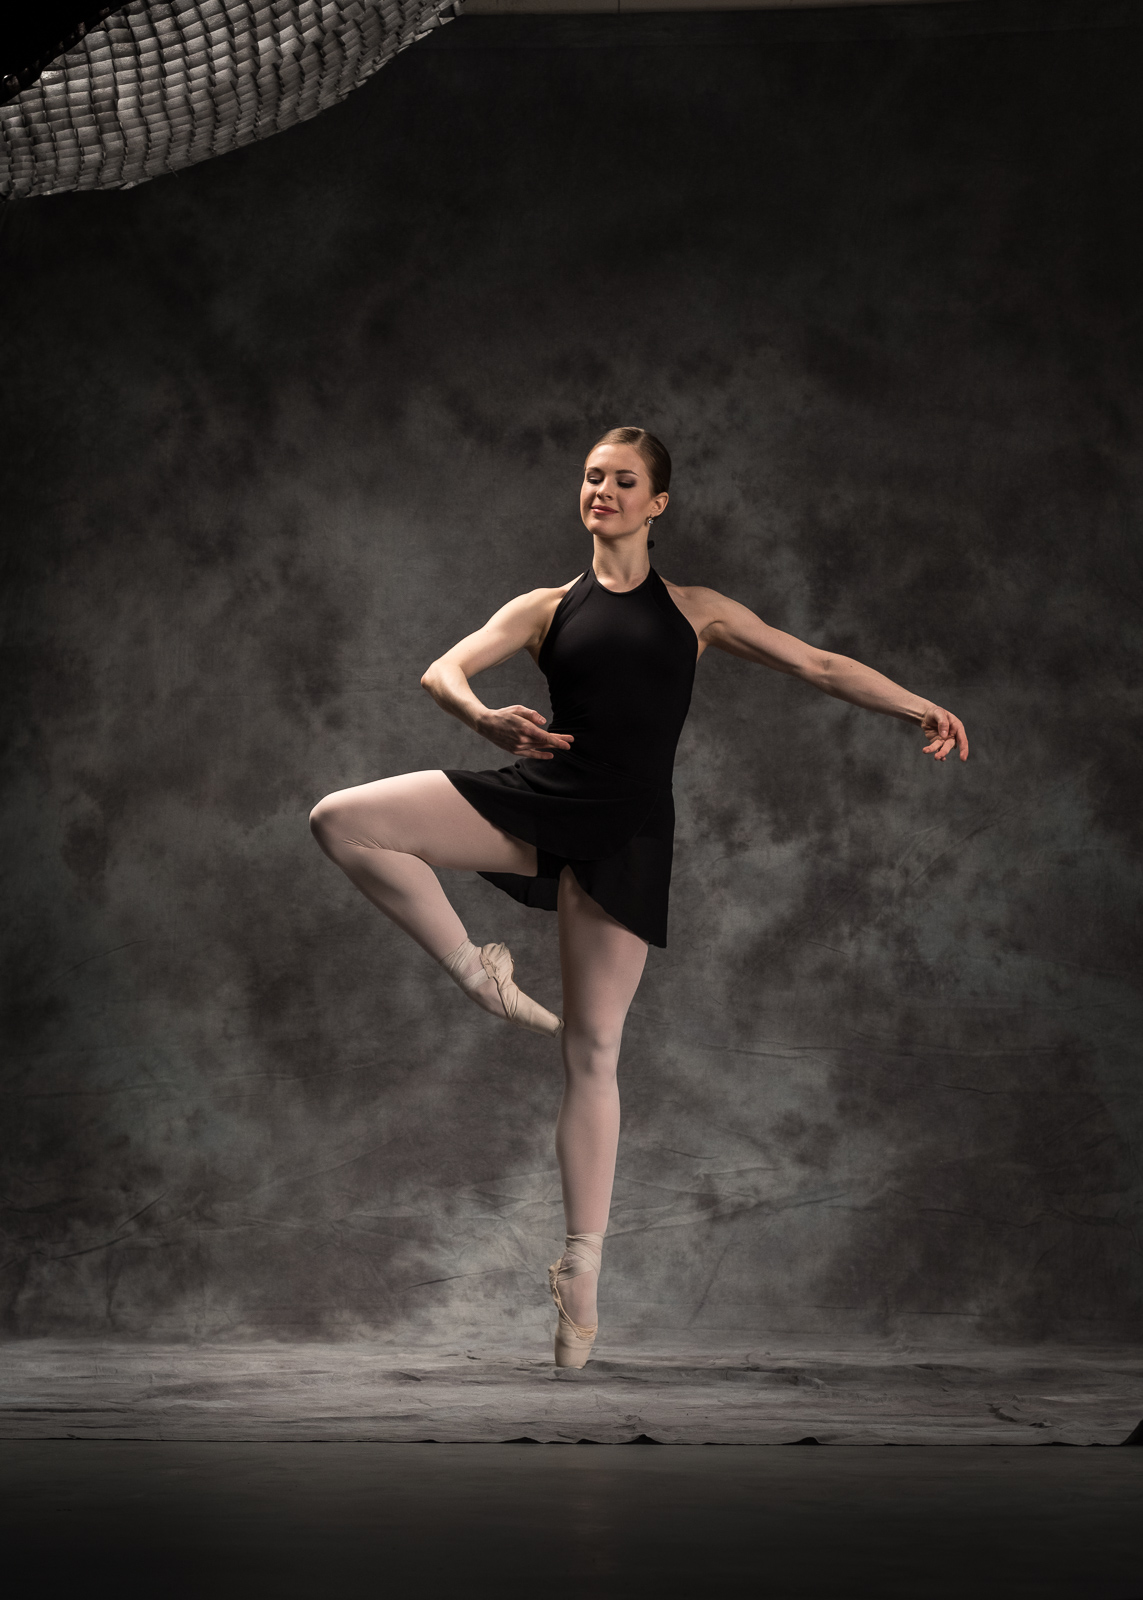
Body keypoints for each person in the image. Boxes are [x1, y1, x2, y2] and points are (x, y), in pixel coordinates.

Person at [309, 426, 969, 1367]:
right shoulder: (544, 608)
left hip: (626, 831)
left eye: (623, 481)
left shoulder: (697, 612)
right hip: (544, 796)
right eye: (591, 477)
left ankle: (580, 1270)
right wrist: (482, 718)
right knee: (343, 818)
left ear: (657, 504)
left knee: (592, 1051)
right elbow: (441, 671)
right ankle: (476, 972)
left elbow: (818, 665)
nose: (602, 492)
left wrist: (916, 705)